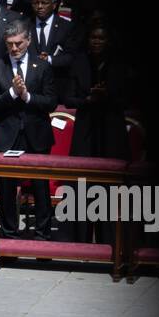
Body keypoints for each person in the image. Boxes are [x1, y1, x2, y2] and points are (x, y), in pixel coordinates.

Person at [0, 18, 56, 239]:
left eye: (19, 43)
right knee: (7, 188)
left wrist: (26, 96)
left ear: (28, 40)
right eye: (10, 44)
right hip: (7, 135)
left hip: (36, 134)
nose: (14, 48)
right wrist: (13, 93)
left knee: (40, 188)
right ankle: (9, 235)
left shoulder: (42, 66)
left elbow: (51, 102)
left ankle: (42, 234)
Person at [63, 22, 129, 243]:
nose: (97, 42)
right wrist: (87, 100)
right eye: (93, 38)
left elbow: (127, 99)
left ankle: (110, 238)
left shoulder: (118, 65)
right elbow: (68, 98)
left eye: (101, 38)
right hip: (85, 128)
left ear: (108, 41)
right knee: (82, 182)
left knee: (111, 185)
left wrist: (106, 95)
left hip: (111, 130)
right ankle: (79, 239)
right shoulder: (79, 62)